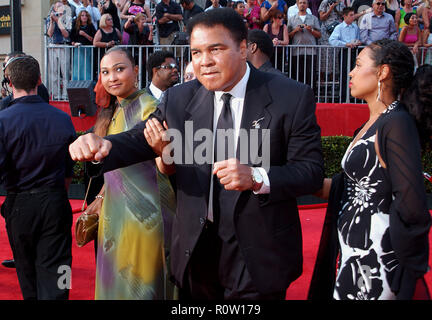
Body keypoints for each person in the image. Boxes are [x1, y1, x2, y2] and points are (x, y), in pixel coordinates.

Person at [69, 8, 324, 300]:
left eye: (215, 49)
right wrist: (104, 146)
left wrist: (256, 176)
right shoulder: (180, 98)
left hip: (257, 252)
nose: (205, 62)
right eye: (196, 52)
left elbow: (311, 171)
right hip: (195, 251)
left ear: (242, 49)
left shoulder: (289, 96)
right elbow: (141, 136)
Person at [311, 40, 431, 300]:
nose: (351, 73)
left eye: (358, 65)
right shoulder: (372, 124)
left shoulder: (396, 123)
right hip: (353, 251)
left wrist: (405, 267)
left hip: (378, 255)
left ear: (382, 72)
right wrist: (288, 177)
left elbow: (412, 204)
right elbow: (351, 188)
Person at [90, 47, 176, 299]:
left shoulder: (150, 107)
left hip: (146, 218)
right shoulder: (114, 110)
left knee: (142, 289)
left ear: (136, 70)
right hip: (114, 216)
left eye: (119, 69)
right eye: (106, 72)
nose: (112, 77)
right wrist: (100, 198)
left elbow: (167, 161)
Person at [0, 55, 76, 300]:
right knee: (60, 268)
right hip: (55, 201)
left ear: (9, 82)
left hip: (19, 205)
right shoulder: (63, 118)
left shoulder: (2, 121)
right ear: (39, 80)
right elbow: (69, 169)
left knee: (26, 270)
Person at [329, 6, 362, 102]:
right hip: (344, 52)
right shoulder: (339, 27)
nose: (353, 17)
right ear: (345, 16)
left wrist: (358, 42)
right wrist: (345, 44)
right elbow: (332, 40)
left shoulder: (355, 27)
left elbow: (358, 38)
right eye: (351, 15)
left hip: (354, 52)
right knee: (344, 75)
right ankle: (343, 97)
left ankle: (354, 97)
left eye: (353, 15)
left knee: (355, 75)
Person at [288, 0, 321, 91]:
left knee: (311, 76)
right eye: (300, 3)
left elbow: (319, 35)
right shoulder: (292, 19)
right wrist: (295, 30)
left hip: (311, 51)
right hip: (296, 51)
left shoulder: (313, 18)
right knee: (297, 75)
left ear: (307, 5)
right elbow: (288, 36)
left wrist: (311, 30)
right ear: (297, 4)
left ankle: (312, 96)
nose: (302, 4)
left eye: (304, 3)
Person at [46, 1, 72, 100]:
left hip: (64, 46)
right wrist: (52, 22)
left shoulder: (68, 18)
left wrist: (58, 21)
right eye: (58, 7)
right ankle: (56, 95)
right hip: (53, 46)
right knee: (54, 72)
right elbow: (49, 33)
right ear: (54, 9)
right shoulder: (50, 19)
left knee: (65, 72)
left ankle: (65, 95)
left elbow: (66, 34)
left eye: (62, 6)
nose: (61, 8)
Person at [70, 10, 96, 81]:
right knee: (78, 67)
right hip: (78, 50)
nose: (84, 17)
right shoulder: (75, 26)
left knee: (87, 67)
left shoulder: (91, 26)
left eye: (86, 15)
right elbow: (71, 38)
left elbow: (93, 39)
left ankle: (87, 82)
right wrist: (73, 43)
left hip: (88, 50)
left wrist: (85, 35)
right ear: (79, 17)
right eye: (82, 15)